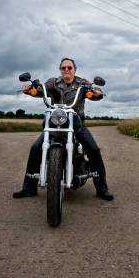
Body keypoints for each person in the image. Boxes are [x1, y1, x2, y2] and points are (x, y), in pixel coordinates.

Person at [12, 57, 114, 201]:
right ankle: (29, 188)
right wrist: (31, 90)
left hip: (76, 123)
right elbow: (41, 90)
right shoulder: (53, 82)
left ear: (74, 70)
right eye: (63, 67)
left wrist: (96, 93)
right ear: (60, 70)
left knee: (93, 149)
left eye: (69, 67)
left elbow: (93, 94)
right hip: (55, 122)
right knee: (36, 148)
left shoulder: (82, 83)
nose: (66, 70)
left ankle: (102, 189)